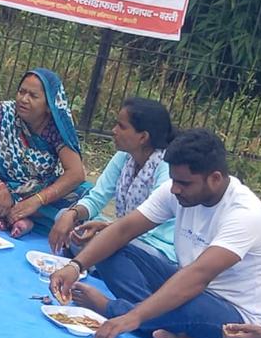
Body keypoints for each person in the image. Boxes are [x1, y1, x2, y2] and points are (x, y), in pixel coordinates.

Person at [49, 128, 261, 338]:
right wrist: (75, 266)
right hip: (186, 285)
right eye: (173, 180)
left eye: (184, 183)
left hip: (231, 317)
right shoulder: (176, 189)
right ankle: (179, 334)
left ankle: (115, 310)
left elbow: (198, 277)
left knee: (189, 307)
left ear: (215, 179)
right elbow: (124, 229)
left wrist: (128, 316)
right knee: (110, 249)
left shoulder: (245, 214)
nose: (175, 189)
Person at [0, 68, 89, 237]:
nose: (23, 99)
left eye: (33, 96)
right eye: (21, 92)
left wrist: (37, 201)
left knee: (85, 192)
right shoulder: (3, 113)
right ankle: (17, 216)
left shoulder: (56, 127)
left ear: (49, 105)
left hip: (37, 193)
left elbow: (76, 173)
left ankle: (8, 213)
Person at [48, 96, 176, 262]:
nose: (114, 130)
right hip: (120, 232)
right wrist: (73, 214)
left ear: (143, 137)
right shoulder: (124, 156)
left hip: (152, 243)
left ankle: (95, 263)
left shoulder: (166, 166)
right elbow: (97, 197)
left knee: (127, 252)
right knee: (63, 217)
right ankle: (98, 264)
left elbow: (149, 224)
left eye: (121, 126)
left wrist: (106, 231)